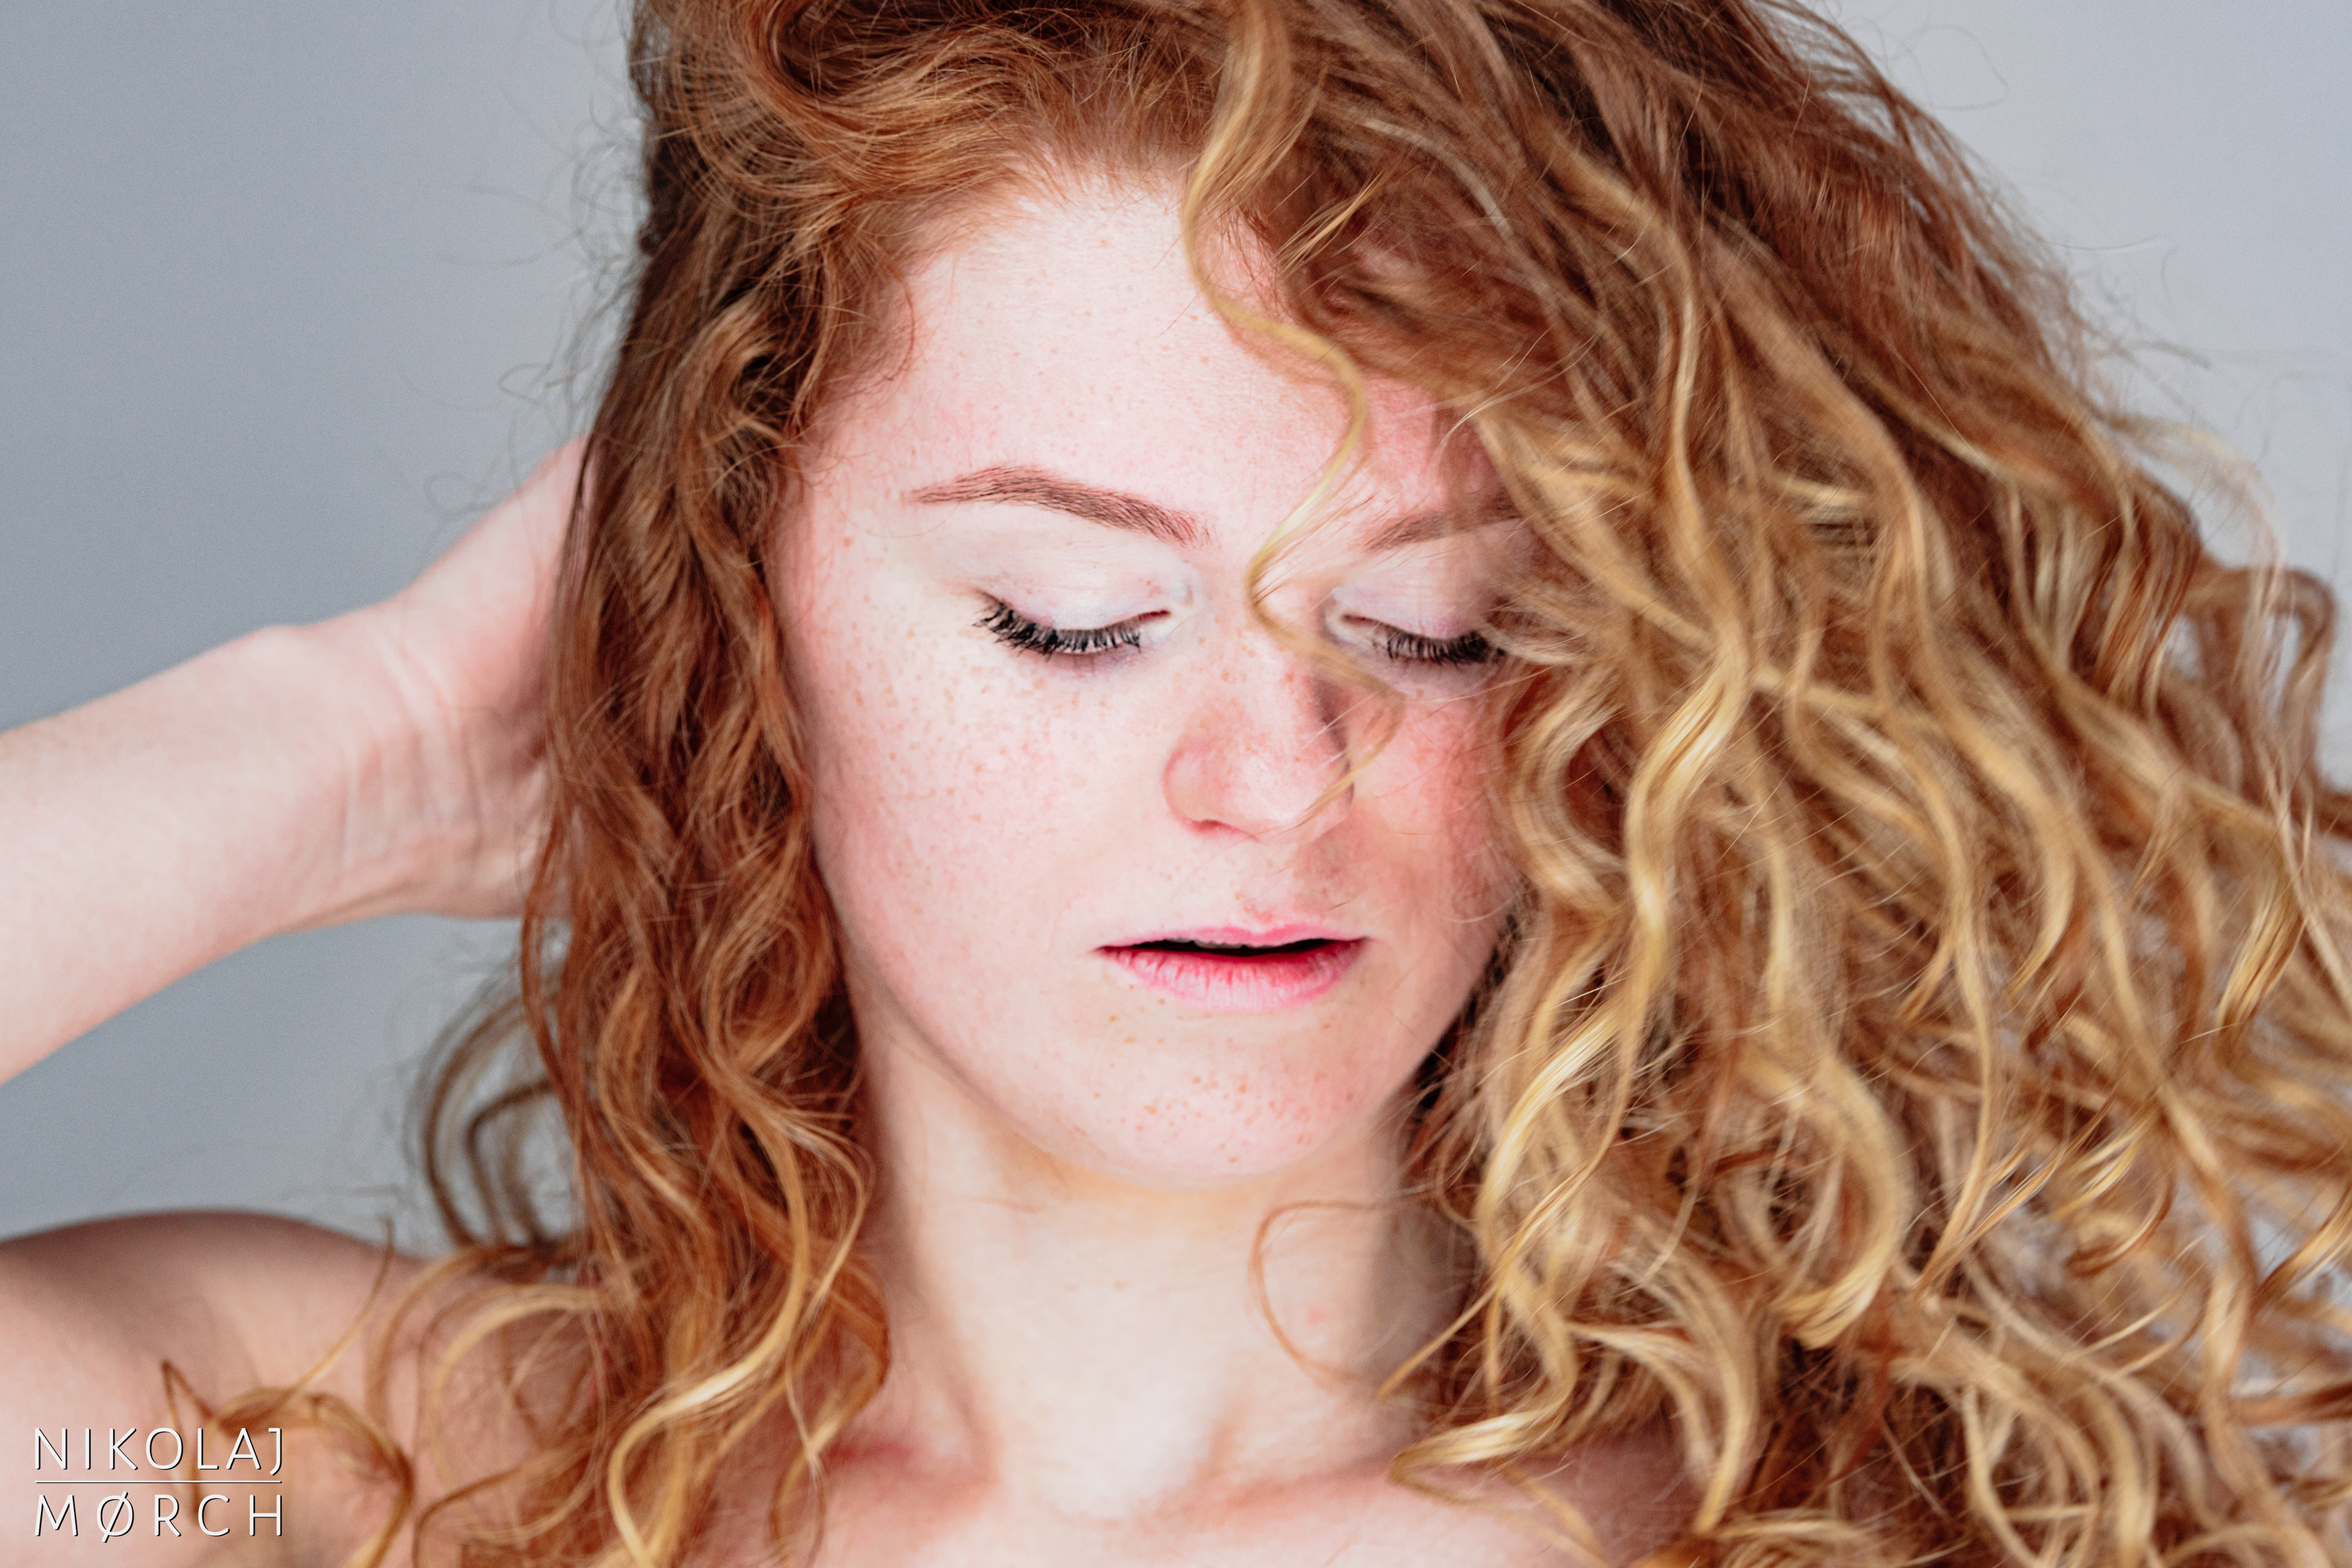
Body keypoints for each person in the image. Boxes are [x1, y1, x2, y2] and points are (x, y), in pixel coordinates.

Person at [5, 0, 2350, 1563]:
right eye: (1068, 615)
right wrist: (357, 748)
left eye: (1438, 625)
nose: (1275, 774)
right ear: (741, 595)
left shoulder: (1902, 1534)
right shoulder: (354, 1474)